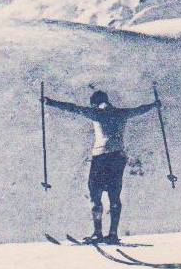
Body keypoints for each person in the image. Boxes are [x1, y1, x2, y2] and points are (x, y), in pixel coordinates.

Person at [44, 90, 158, 244]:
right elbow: (139, 109)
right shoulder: (121, 113)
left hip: (100, 157)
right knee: (114, 195)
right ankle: (112, 234)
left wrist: (50, 102)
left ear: (95, 103)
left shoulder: (96, 113)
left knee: (95, 194)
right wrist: (154, 105)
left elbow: (72, 108)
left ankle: (98, 232)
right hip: (117, 157)